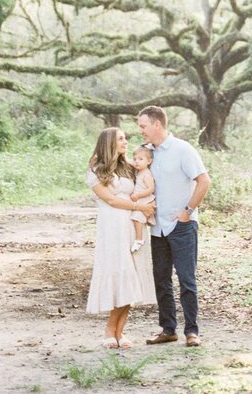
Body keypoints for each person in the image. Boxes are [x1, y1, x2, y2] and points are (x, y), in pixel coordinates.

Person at [137, 105, 212, 348]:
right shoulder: (147, 153)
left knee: (187, 279)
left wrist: (188, 212)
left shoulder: (183, 149)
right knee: (161, 279)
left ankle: (192, 331)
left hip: (181, 226)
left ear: (157, 124)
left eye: (143, 126)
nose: (141, 131)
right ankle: (168, 329)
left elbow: (204, 181)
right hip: (157, 227)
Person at [86, 127, 157, 348]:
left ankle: (121, 330)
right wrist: (139, 206)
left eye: (126, 138)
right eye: (120, 138)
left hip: (132, 224)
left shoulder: (129, 167)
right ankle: (110, 329)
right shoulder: (96, 171)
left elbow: (147, 181)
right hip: (112, 226)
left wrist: (146, 207)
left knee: (132, 274)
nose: (125, 141)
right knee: (118, 272)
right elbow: (112, 201)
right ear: (108, 143)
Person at [130, 145, 156, 254]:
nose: (137, 162)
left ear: (149, 161)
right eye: (135, 159)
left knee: (137, 217)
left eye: (141, 159)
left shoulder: (146, 174)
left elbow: (151, 189)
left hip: (145, 199)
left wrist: (138, 196)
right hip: (141, 199)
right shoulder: (139, 172)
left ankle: (139, 239)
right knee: (136, 217)